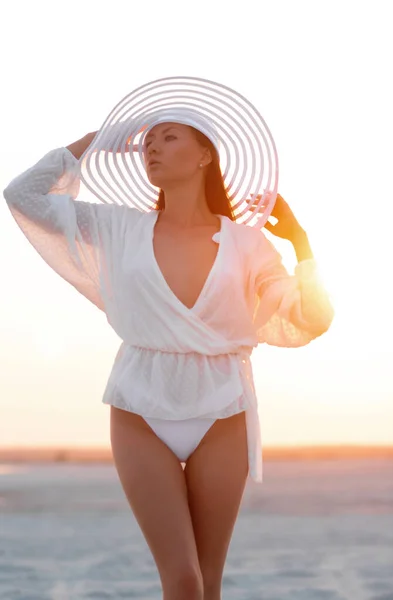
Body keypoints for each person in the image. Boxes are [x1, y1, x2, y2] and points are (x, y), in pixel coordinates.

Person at [3, 77, 334, 600]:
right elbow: (21, 195)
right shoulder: (119, 228)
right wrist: (96, 139)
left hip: (224, 408)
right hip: (140, 405)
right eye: (147, 141)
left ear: (206, 154)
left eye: (169, 137)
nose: (152, 147)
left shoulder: (248, 244)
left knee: (208, 583)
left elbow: (312, 319)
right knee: (181, 580)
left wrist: (301, 243)